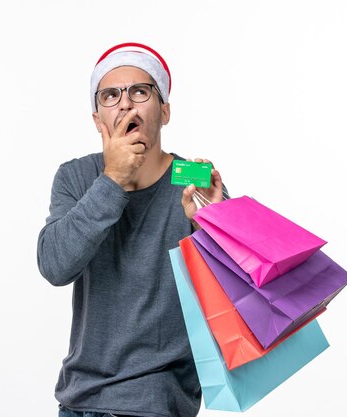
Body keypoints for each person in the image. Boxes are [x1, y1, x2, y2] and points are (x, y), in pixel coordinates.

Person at [37, 42, 225, 417]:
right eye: (110, 95)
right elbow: (55, 267)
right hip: (79, 401)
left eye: (140, 91)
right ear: (97, 120)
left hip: (158, 403)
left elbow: (233, 293)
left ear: (165, 111)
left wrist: (215, 222)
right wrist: (113, 179)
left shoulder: (192, 178)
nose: (125, 104)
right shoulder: (77, 177)